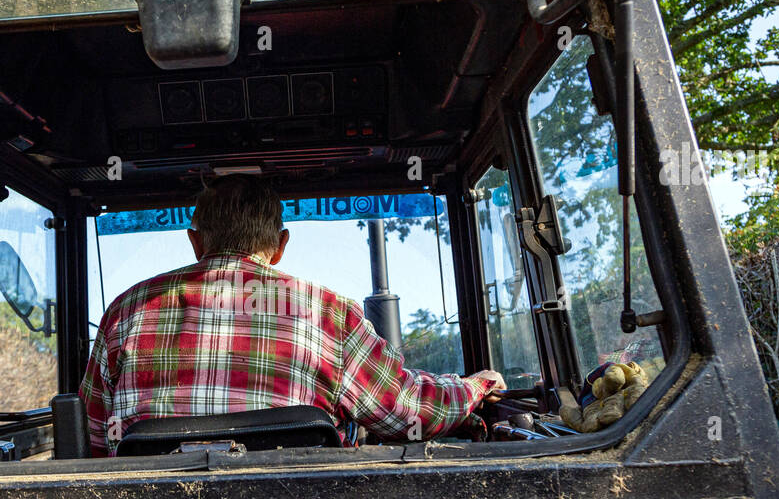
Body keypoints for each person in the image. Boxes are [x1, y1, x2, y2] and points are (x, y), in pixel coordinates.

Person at [79, 176, 505, 456]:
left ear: (194, 241)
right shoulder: (330, 313)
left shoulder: (126, 310)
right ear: (280, 245)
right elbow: (408, 411)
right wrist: (473, 386)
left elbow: (94, 439)